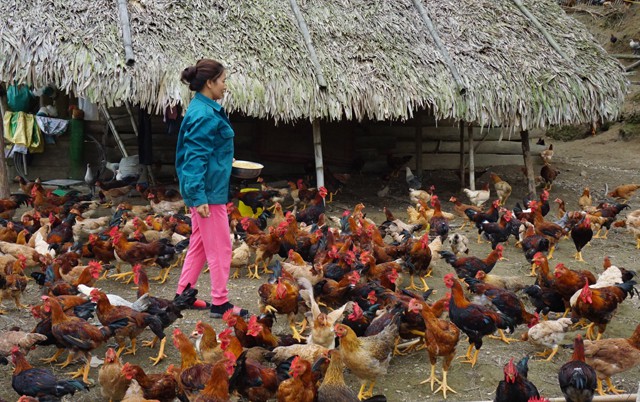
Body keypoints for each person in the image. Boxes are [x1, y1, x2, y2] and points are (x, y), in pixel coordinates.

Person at [174, 59, 248, 318]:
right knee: (220, 246)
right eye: (223, 80)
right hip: (208, 193)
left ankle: (184, 294)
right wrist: (199, 196)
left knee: (200, 244)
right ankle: (220, 303)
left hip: (207, 188)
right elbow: (195, 158)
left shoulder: (204, 109)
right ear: (210, 82)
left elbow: (205, 153)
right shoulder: (204, 114)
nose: (225, 86)